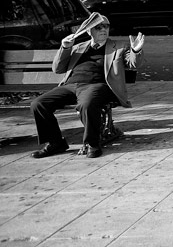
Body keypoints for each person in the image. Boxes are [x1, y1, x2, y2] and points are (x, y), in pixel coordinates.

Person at [31, 13, 144, 159]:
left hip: (98, 85)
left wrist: (136, 50)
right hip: (71, 86)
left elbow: (134, 63)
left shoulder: (120, 46)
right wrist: (65, 47)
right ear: (89, 30)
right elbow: (57, 69)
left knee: (87, 103)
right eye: (98, 27)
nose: (104, 29)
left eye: (106, 26)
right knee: (38, 103)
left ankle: (92, 143)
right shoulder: (78, 47)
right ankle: (55, 142)